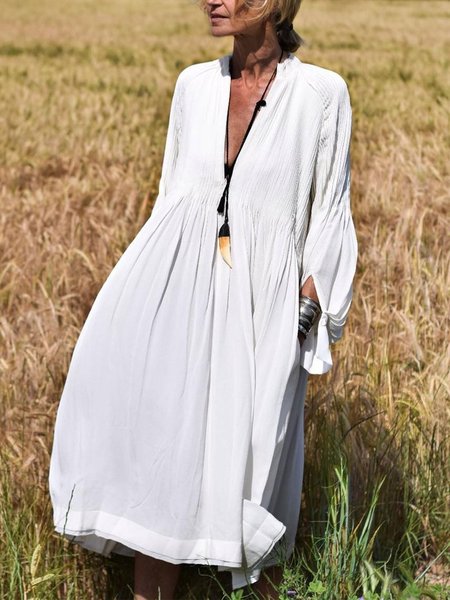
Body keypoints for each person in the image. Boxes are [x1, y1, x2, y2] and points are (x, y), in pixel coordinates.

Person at [48, 0, 358, 598]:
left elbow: (330, 218)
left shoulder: (321, 95)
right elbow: (170, 203)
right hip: (172, 305)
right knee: (163, 470)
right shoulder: (193, 86)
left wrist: (301, 318)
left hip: (263, 316)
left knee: (254, 483)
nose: (211, 0)